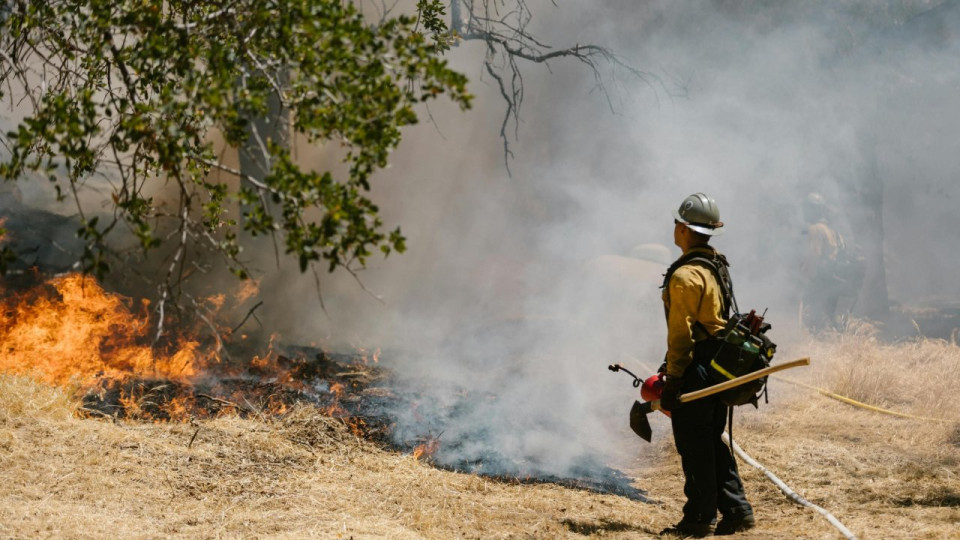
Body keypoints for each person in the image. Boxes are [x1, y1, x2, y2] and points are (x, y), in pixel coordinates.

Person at [658, 193, 755, 537]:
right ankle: (736, 511)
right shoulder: (715, 265)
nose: (674, 228)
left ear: (684, 228)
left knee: (694, 443)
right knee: (712, 440)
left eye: (676, 223)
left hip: (697, 366)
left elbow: (681, 335)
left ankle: (698, 519)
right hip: (717, 363)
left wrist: (673, 381)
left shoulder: (686, 275)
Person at [799, 192, 860, 332]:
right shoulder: (832, 230)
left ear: (815, 209)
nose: (804, 211)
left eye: (807, 208)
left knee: (814, 321)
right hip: (833, 282)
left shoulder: (815, 229)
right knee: (828, 319)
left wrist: (805, 278)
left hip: (821, 282)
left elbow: (814, 255)